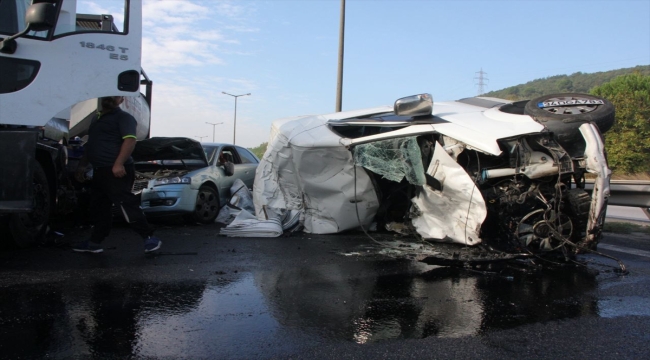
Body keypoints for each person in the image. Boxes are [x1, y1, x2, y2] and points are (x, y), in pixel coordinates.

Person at [73, 96, 161, 254]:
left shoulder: (124, 118)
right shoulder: (96, 119)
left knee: (125, 204)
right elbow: (91, 144)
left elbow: (130, 141)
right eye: (109, 94)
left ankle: (149, 238)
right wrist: (82, 166)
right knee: (99, 207)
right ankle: (94, 242)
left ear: (121, 100)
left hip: (116, 170)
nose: (112, 98)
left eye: (116, 96)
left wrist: (118, 163)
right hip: (100, 170)